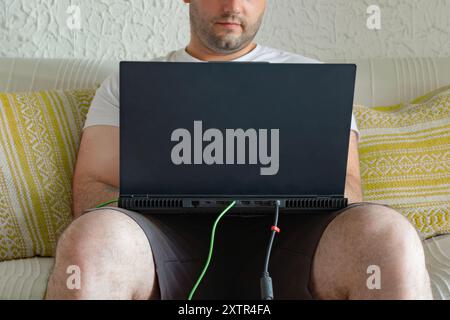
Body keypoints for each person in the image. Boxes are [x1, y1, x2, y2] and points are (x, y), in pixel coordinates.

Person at [46, 0, 432, 300]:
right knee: (92, 237)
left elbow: (348, 185)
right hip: (162, 245)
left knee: (389, 233)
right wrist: (161, 200)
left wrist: (286, 197)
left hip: (291, 241)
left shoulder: (312, 80)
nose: (233, 5)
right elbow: (91, 188)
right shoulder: (127, 85)